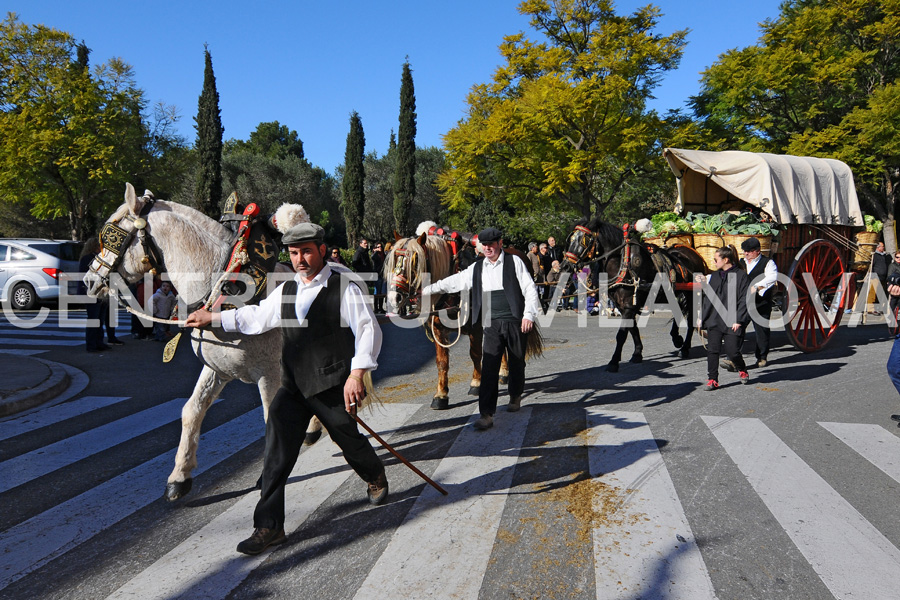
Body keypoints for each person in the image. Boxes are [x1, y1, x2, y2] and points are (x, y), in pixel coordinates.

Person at [184, 222, 386, 556]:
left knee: (348, 439)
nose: (300, 259)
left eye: (307, 251)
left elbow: (368, 329)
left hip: (328, 383)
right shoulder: (288, 289)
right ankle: (269, 527)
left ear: (322, 249)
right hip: (292, 386)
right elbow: (258, 317)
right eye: (294, 253)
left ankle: (374, 473)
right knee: (275, 454)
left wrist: (357, 373)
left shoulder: (344, 287)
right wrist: (214, 318)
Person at [422, 227, 540, 429]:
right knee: (490, 366)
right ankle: (486, 413)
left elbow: (529, 288)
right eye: (484, 245)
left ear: (499, 243)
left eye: (491, 245)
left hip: (514, 320)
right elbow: (454, 282)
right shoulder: (477, 268)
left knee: (517, 361)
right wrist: (427, 289)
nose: (487, 248)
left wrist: (529, 315)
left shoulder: (515, 262)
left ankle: (515, 395)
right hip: (491, 323)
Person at [698, 246, 750, 390]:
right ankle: (712, 379)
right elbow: (708, 298)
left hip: (732, 320)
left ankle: (742, 369)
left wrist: (739, 320)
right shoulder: (715, 276)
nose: (714, 263)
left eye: (716, 260)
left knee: (732, 351)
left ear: (725, 260)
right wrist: (701, 317)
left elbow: (744, 299)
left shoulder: (741, 276)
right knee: (712, 350)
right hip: (714, 319)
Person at [739, 237, 777, 367]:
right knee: (737, 327)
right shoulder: (741, 262)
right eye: (745, 251)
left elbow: (772, 277)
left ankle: (761, 357)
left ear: (757, 251)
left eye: (749, 251)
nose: (746, 254)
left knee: (761, 330)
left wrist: (756, 287)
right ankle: (734, 357)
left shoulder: (767, 263)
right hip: (743, 303)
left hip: (760, 303)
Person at [78, 238, 112, 353]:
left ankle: (99, 342)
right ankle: (92, 344)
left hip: (100, 291)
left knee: (99, 319)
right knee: (94, 319)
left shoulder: (91, 258)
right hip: (92, 292)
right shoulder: (88, 259)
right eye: (99, 246)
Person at [871, 242, 890, 315]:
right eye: (882, 246)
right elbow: (872, 265)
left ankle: (878, 308)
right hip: (876, 276)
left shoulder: (884, 256)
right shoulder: (875, 255)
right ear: (878, 247)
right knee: (873, 293)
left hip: (883, 277)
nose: (883, 248)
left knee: (880, 293)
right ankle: (872, 309)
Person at [371, 241, 386, 314]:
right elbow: (373, 258)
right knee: (377, 292)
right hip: (377, 275)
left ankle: (381, 307)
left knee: (382, 292)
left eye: (380, 247)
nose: (380, 248)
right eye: (378, 247)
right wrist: (376, 251)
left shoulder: (384, 255)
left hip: (383, 274)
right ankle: (376, 308)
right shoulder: (375, 255)